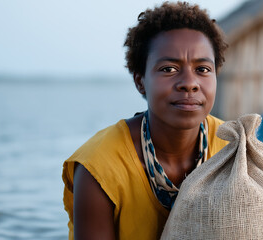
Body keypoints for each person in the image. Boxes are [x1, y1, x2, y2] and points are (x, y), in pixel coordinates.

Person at [62, 2, 229, 239]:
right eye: (169, 69)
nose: (189, 83)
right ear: (140, 81)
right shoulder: (100, 168)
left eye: (202, 69)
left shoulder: (233, 148)